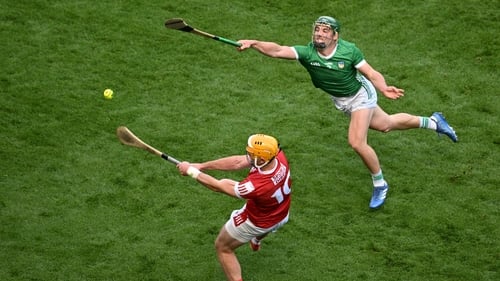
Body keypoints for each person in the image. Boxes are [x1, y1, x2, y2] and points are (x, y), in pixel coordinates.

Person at [236, 16, 457, 209]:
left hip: (361, 95)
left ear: (335, 36)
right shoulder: (307, 53)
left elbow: (370, 72)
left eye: (325, 31)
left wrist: (383, 87)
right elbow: (276, 50)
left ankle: (380, 184)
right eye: (317, 30)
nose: (319, 34)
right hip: (342, 100)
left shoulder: (348, 50)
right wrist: (253, 42)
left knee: (357, 142)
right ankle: (434, 122)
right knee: (385, 124)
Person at [177, 133, 292, 281]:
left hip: (255, 222)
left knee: (223, 248)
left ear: (262, 159)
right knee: (269, 226)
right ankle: (256, 241)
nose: (248, 156)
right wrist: (201, 165)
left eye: (251, 154)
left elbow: (218, 187)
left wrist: (191, 171)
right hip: (282, 214)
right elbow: (238, 162)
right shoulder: (277, 155)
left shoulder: (255, 186)